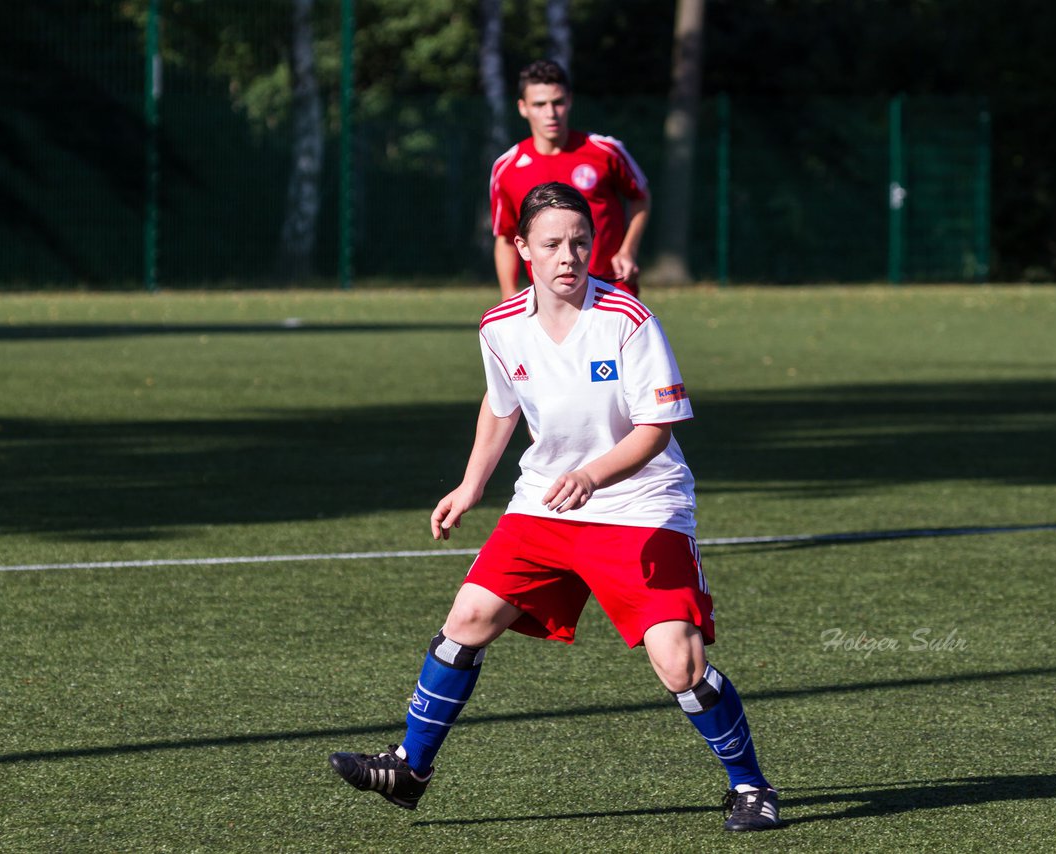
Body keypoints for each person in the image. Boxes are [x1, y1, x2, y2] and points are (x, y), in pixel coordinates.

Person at [328, 182, 779, 833]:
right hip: (547, 503)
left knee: (679, 662)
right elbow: (501, 404)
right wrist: (471, 484)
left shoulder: (627, 319)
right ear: (521, 249)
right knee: (469, 618)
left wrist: (594, 475)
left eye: (579, 241)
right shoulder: (500, 327)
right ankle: (410, 766)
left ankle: (752, 786)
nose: (568, 255)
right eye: (551, 244)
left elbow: (656, 428)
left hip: (640, 503)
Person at [489, 60, 651, 299]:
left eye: (558, 102)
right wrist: (508, 294)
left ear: (570, 101)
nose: (550, 113)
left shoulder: (605, 150)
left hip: (612, 289)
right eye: (539, 104)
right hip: (550, 301)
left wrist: (627, 251)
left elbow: (641, 197)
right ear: (523, 108)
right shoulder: (507, 167)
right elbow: (505, 238)